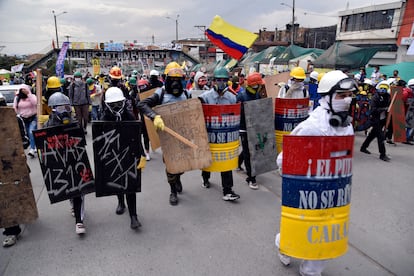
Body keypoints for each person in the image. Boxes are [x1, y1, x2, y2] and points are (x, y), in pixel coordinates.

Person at [276, 70, 357, 276]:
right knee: (302, 228)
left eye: (349, 95)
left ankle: (311, 270)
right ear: (326, 96)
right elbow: (283, 160)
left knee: (326, 232)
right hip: (307, 190)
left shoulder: (346, 128)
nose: (347, 101)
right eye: (341, 95)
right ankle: (282, 243)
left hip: (333, 192)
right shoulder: (311, 127)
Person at [137, 61, 189, 206]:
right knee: (171, 164)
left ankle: (178, 177)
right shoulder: (161, 93)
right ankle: (172, 190)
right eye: (172, 79)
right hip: (167, 135)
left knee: (183, 164)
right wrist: (155, 116)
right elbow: (142, 105)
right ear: (166, 78)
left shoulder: (186, 93)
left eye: (178, 80)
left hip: (184, 134)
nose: (175, 83)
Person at [100, 87, 145, 229]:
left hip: (129, 155)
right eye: (113, 105)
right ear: (107, 104)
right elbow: (99, 140)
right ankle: (120, 201)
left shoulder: (130, 116)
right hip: (112, 155)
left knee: (130, 185)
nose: (116, 107)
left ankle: (133, 215)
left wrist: (141, 154)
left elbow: (137, 136)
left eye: (119, 103)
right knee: (117, 182)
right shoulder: (104, 119)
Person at [44, 92, 88, 234]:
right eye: (61, 108)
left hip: (75, 160)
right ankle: (73, 204)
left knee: (78, 191)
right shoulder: (48, 124)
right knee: (69, 189)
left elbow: (82, 143)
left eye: (67, 108)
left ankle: (79, 222)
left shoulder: (74, 122)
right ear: (53, 108)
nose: (65, 111)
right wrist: (41, 130)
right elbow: (43, 146)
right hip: (59, 161)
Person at [197, 67, 240, 201]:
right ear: (213, 81)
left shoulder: (232, 98)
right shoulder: (205, 97)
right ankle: (205, 178)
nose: (221, 82)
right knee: (208, 161)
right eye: (218, 80)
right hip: (210, 135)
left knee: (225, 162)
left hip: (225, 136)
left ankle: (228, 190)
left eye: (224, 80)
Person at [1, 93, 29, 247]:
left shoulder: (15, 119)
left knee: (18, 192)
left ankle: (21, 217)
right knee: (5, 197)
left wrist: (12, 146)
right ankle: (11, 230)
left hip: (13, 163)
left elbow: (24, 141)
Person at [236, 72, 263, 190]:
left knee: (252, 151)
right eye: (256, 85)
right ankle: (251, 178)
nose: (258, 87)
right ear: (251, 85)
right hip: (244, 128)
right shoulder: (241, 96)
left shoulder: (257, 96)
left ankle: (238, 162)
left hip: (255, 127)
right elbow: (236, 113)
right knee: (249, 152)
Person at [360, 84, 391, 161]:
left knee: (372, 135)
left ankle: (363, 147)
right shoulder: (375, 97)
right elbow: (373, 110)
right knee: (380, 137)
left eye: (384, 88)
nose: (383, 90)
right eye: (381, 88)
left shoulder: (388, 96)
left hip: (382, 120)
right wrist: (384, 109)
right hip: (375, 119)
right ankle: (382, 154)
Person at [13, 84, 37, 158]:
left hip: (33, 117)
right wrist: (17, 115)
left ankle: (32, 149)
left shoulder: (32, 96)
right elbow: (15, 107)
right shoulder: (17, 98)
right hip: (23, 119)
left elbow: (35, 103)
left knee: (31, 132)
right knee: (27, 134)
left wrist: (28, 94)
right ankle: (34, 145)